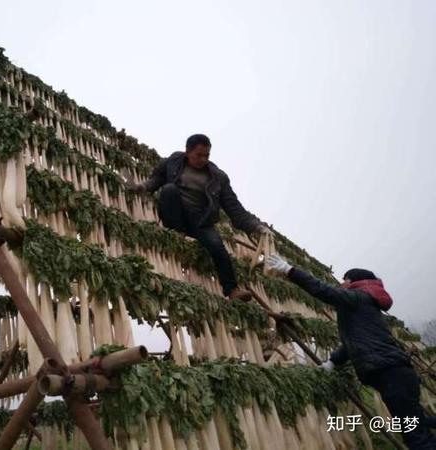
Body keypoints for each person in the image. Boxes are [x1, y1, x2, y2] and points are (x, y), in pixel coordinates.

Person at [266, 254, 436, 449]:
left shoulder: (358, 298)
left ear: (355, 282)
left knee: (416, 437)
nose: (341, 283)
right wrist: (332, 362)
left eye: (345, 280)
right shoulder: (362, 305)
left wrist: (291, 271)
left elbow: (323, 291)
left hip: (391, 373)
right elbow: (353, 344)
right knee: (416, 423)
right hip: (395, 373)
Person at [126, 134, 271, 301]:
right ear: (187, 152)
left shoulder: (218, 177)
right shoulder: (175, 161)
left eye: (207, 155)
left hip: (201, 221)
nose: (203, 159)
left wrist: (256, 226)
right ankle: (176, 232)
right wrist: (142, 187)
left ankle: (232, 290)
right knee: (168, 189)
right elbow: (158, 178)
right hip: (176, 215)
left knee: (218, 248)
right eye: (199, 155)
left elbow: (235, 209)